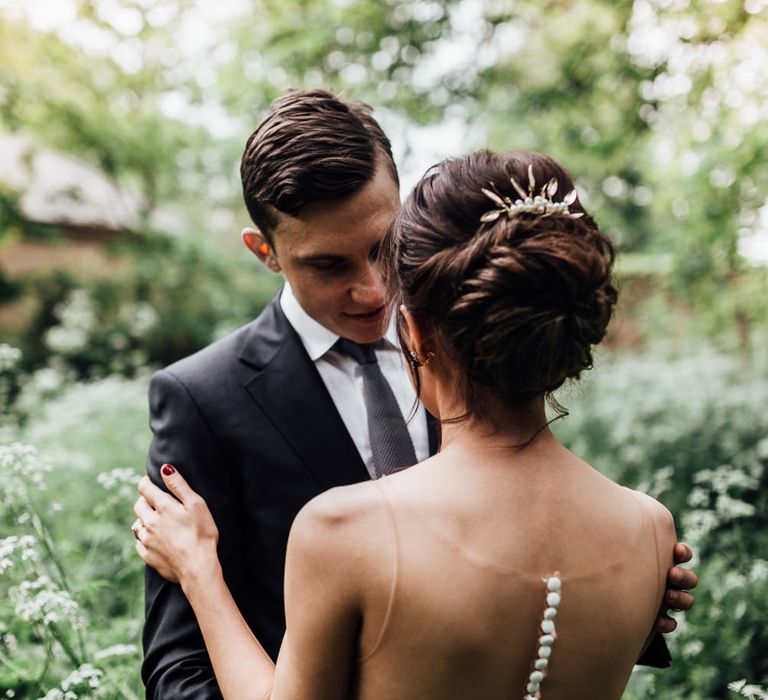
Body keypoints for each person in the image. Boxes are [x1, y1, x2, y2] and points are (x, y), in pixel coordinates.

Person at [136, 90, 696, 698]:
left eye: (384, 248)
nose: (375, 290)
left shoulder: (483, 339)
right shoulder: (201, 398)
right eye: (329, 266)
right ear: (264, 251)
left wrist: (604, 582)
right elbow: (179, 671)